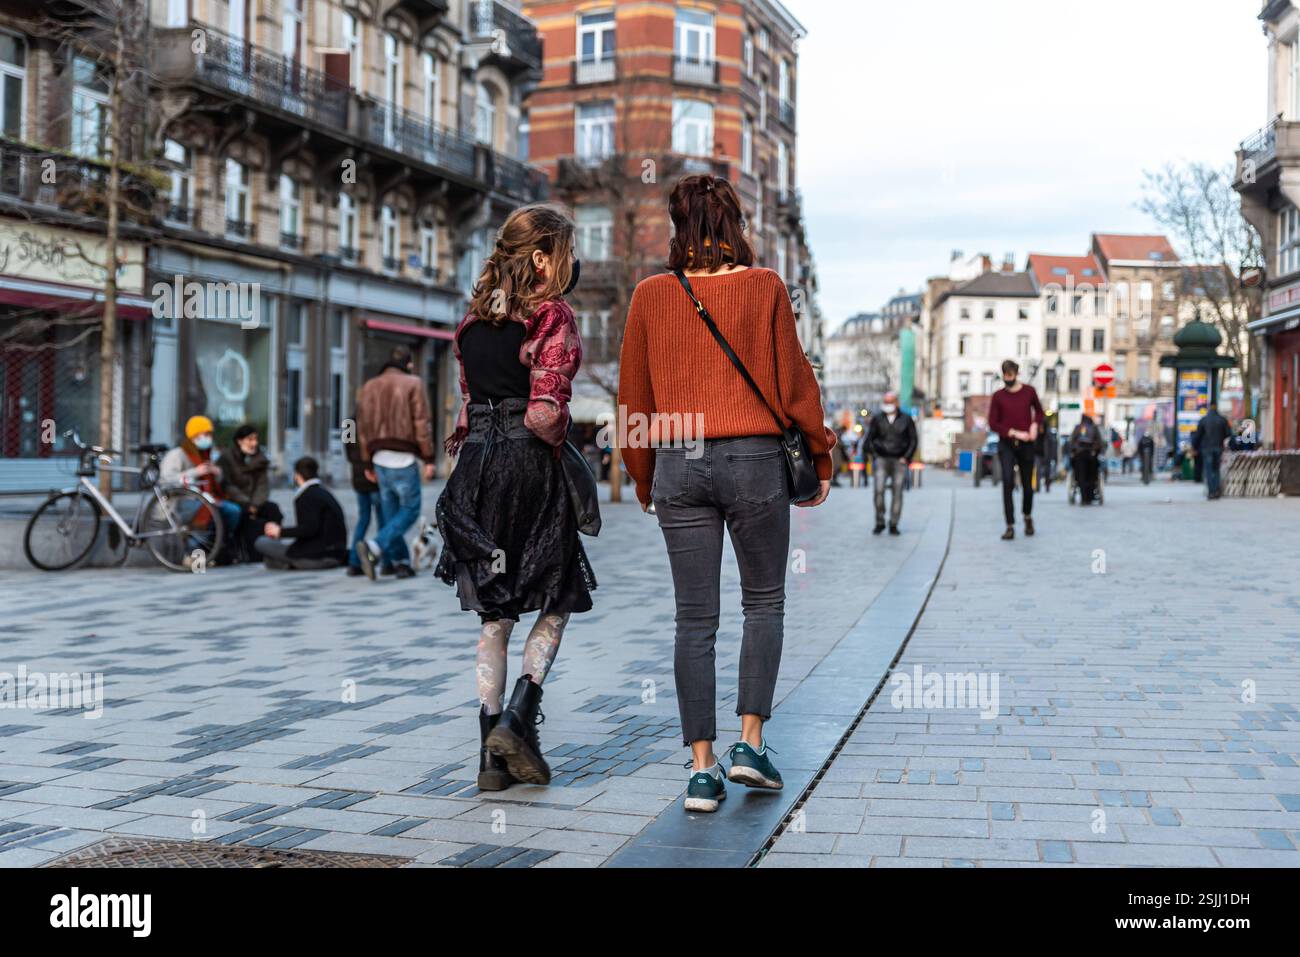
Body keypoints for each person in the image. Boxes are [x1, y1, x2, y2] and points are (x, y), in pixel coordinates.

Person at [618, 173, 834, 814]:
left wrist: (641, 473)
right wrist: (819, 455)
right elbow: (795, 382)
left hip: (679, 462)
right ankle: (750, 744)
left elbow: (635, 396)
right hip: (753, 459)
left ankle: (701, 771)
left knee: (694, 619)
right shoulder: (765, 287)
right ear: (735, 222)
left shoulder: (650, 295)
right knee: (763, 603)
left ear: (677, 227)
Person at [434, 203, 595, 792]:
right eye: (567, 251)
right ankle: (521, 717)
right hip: (526, 467)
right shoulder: (550, 317)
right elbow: (546, 411)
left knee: (495, 615)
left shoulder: (471, 325)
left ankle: (489, 758)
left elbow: (466, 408)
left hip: (474, 471)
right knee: (555, 596)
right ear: (544, 256)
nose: (573, 263)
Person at [354, 345, 435, 580]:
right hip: (404, 457)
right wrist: (429, 458)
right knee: (409, 511)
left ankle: (400, 562)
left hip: (379, 458)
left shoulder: (369, 386)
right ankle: (375, 546)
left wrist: (367, 463)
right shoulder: (414, 383)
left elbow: (362, 428)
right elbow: (422, 423)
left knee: (391, 515)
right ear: (409, 364)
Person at [159, 415, 241, 557]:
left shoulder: (207, 454)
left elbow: (215, 482)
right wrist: (196, 472)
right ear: (195, 435)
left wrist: (217, 473)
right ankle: (195, 554)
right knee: (211, 511)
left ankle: (215, 548)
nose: (209, 438)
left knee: (233, 511)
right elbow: (167, 480)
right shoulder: (177, 454)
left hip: (203, 498)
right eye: (206, 434)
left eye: (210, 434)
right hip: (181, 501)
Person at [255, 456, 348, 570]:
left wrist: (279, 531)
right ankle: (284, 563)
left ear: (297, 476)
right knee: (272, 556)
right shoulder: (325, 493)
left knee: (261, 542)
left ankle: (289, 563)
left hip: (317, 556)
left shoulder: (305, 496)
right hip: (336, 554)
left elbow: (308, 529)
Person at [987, 359, 1045, 540]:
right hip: (1007, 445)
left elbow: (1040, 412)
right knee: (1007, 481)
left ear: (1016, 374)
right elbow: (993, 422)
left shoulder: (1029, 392)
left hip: (1027, 444)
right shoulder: (998, 396)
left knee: (1028, 486)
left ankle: (1027, 516)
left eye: (1010, 375)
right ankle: (1010, 525)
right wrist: (1012, 432)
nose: (1007, 378)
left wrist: (1035, 425)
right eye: (1005, 376)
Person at [220, 424, 284, 562]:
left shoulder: (260, 459)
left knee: (274, 510)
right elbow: (227, 485)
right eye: (250, 439)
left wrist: (255, 504)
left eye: (255, 439)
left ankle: (273, 547)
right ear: (239, 441)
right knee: (244, 515)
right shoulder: (227, 458)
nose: (254, 443)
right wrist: (247, 503)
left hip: (255, 501)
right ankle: (249, 552)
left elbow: (263, 486)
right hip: (236, 500)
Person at [343, 401, 388, 578]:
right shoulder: (376, 425)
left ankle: (354, 563)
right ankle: (387, 562)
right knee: (383, 519)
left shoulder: (348, 423)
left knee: (363, 519)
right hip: (374, 477)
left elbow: (348, 453)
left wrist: (359, 467)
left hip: (358, 478)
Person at [865, 390, 917, 535]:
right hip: (881, 459)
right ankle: (880, 522)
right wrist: (875, 455)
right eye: (885, 402)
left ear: (896, 403)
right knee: (879, 490)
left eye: (890, 402)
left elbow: (913, 440)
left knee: (897, 492)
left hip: (899, 460)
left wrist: (906, 457)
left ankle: (894, 523)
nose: (887, 405)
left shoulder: (906, 419)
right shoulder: (877, 419)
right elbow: (869, 439)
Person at [1192, 404, 1232, 500]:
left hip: (1207, 448)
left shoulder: (1204, 420)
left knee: (1209, 470)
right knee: (1216, 469)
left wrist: (1195, 447)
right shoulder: (1222, 420)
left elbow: (1198, 436)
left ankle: (1211, 492)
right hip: (1218, 447)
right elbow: (1228, 433)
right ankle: (1217, 491)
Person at [1068, 414, 1105, 504]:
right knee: (1092, 476)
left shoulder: (1077, 427)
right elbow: (1100, 442)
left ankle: (1084, 497)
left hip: (1079, 455)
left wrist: (1073, 452)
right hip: (1092, 455)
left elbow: (1071, 441)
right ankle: (1089, 496)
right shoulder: (1094, 428)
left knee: (1080, 476)